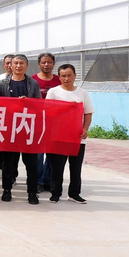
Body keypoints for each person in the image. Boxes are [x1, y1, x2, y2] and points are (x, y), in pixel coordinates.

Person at [0, 54, 42, 205]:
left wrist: (29, 103)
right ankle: (7, 190)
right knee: (9, 164)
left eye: (22, 63)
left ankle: (32, 193)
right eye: (15, 63)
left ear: (27, 66)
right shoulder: (2, 84)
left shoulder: (33, 84)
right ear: (10, 65)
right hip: (10, 130)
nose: (18, 66)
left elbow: (40, 105)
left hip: (28, 129)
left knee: (32, 164)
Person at [46, 64, 93, 204]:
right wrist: (65, 108)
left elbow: (88, 113)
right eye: (63, 76)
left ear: (75, 76)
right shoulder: (53, 92)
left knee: (76, 167)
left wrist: (85, 129)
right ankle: (55, 193)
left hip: (77, 137)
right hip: (59, 136)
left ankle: (74, 193)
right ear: (59, 77)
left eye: (69, 75)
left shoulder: (82, 93)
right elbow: (48, 112)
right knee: (57, 167)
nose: (66, 78)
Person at [32, 52, 61, 192]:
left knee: (52, 153)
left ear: (53, 63)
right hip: (37, 122)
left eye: (49, 62)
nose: (46, 64)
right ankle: (37, 181)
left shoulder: (59, 80)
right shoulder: (32, 80)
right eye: (43, 62)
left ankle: (48, 181)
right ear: (39, 64)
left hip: (54, 122)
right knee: (38, 154)